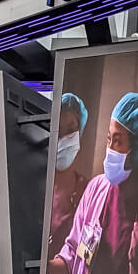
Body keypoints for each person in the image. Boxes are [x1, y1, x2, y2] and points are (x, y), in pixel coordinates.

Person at [47, 91, 138, 274]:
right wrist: (43, 272)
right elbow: (71, 258)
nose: (110, 148)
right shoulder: (95, 189)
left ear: (137, 147)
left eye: (117, 141)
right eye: (108, 139)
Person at [49, 93, 89, 253]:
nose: (65, 137)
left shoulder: (87, 192)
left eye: (71, 129)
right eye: (59, 130)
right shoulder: (37, 186)